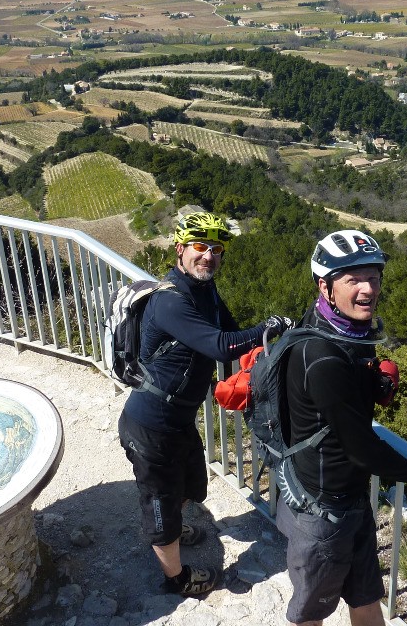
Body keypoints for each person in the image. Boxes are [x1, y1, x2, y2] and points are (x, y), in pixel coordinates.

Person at [277, 229, 407, 626]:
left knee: (365, 598)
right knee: (310, 613)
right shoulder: (324, 356)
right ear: (325, 286)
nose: (368, 289)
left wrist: (368, 382)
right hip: (324, 510)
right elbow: (361, 447)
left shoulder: (338, 328)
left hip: (348, 499)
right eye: (353, 280)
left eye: (374, 277)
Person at [118, 211, 293, 597]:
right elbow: (220, 346)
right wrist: (270, 327)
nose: (208, 256)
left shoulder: (205, 292)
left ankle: (174, 529)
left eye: (216, 249)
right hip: (150, 425)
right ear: (180, 249)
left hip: (179, 420)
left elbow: (231, 332)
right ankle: (176, 578)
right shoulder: (170, 301)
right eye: (200, 247)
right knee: (160, 503)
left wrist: (271, 357)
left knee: (193, 484)